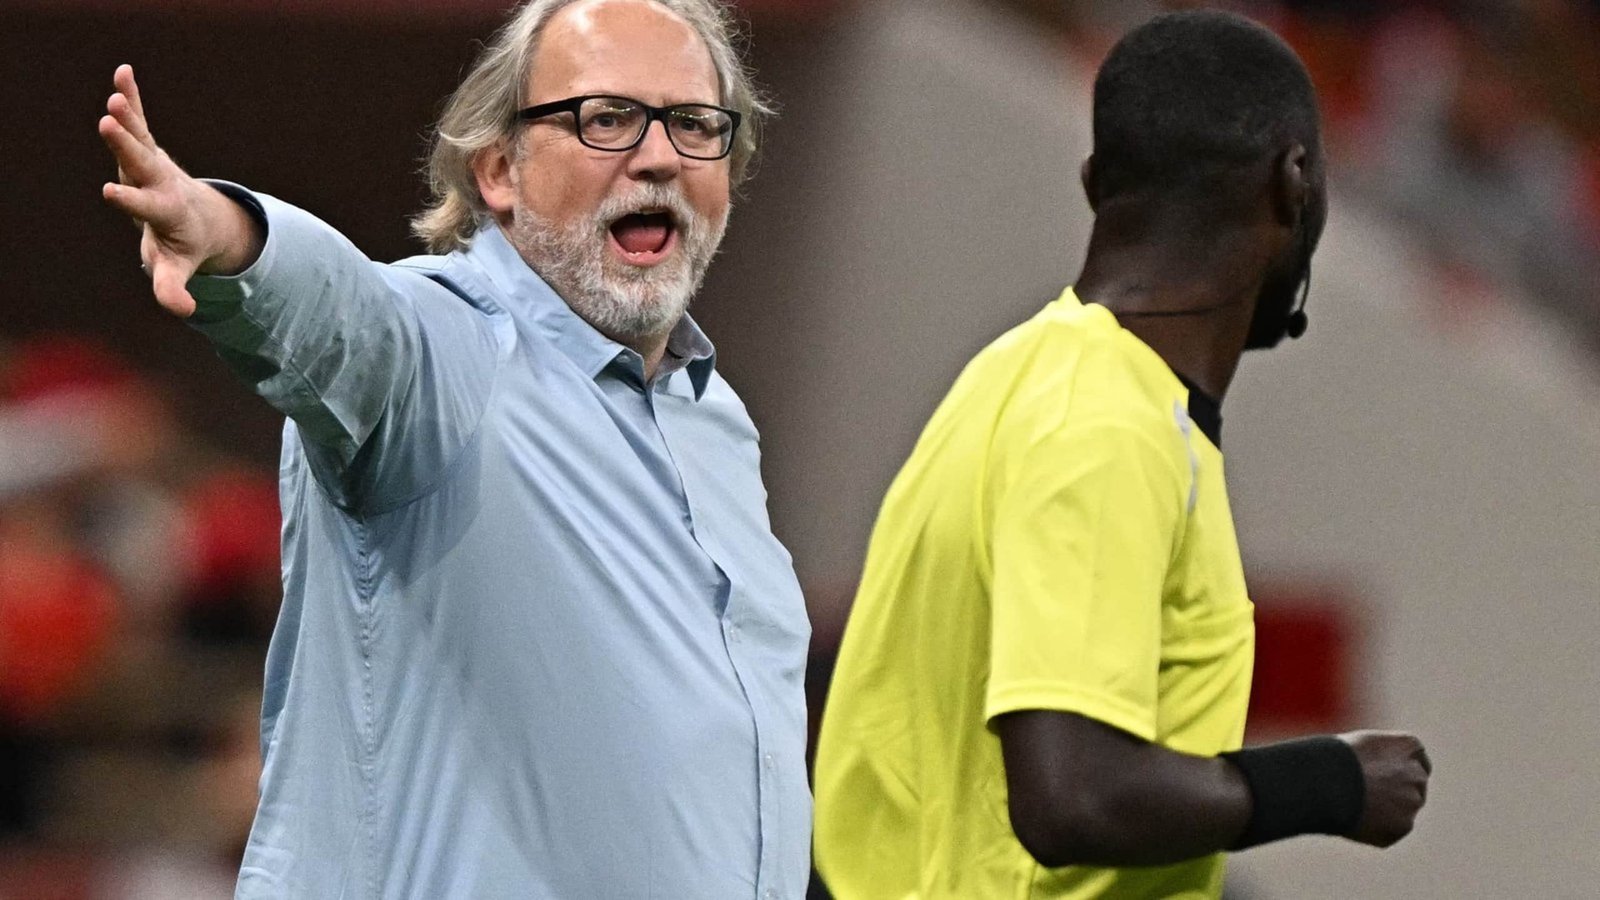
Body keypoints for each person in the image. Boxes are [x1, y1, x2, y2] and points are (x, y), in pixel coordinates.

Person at [97, 1, 811, 897]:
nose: (660, 155)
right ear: (500, 169)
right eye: (608, 118)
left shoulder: (717, 421)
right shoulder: (451, 347)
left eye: (696, 125)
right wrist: (234, 240)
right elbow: (343, 315)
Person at [812, 11, 1431, 899]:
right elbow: (1072, 797)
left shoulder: (1021, 372)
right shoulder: (1104, 424)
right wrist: (1330, 784)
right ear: (1294, 180)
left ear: (1096, 182)